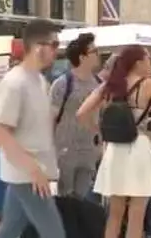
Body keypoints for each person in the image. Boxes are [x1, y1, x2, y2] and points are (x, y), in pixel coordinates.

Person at [76, 45, 151, 238]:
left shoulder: (110, 85)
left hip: (115, 150)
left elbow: (82, 113)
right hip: (139, 147)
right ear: (138, 62)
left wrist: (100, 132)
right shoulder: (149, 85)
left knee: (114, 213)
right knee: (136, 214)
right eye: (149, 59)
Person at [0, 19, 65, 238]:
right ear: (37, 47)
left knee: (10, 230)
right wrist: (33, 169)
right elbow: (0, 130)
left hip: (30, 172)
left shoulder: (40, 81)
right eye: (54, 45)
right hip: (28, 174)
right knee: (54, 234)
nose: (56, 51)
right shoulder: (15, 83)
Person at [50, 33, 101, 198]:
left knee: (82, 197)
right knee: (65, 196)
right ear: (82, 57)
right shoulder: (63, 84)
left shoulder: (99, 84)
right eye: (94, 51)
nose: (98, 55)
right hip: (65, 149)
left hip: (89, 149)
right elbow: (50, 118)